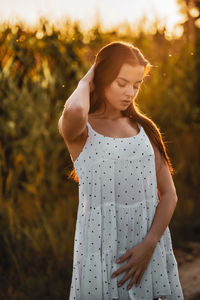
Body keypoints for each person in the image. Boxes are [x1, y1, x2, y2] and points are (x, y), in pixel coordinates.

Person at [58, 41, 184, 300]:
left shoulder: (145, 130)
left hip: (148, 250)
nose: (130, 93)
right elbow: (76, 109)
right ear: (101, 79)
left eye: (136, 85)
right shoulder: (82, 131)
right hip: (99, 253)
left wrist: (149, 246)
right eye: (121, 83)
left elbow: (169, 195)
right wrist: (88, 78)